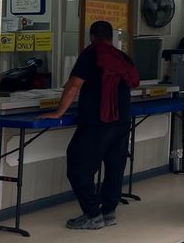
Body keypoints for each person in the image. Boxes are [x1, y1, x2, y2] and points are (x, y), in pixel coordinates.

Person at [40, 21, 140, 228]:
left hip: (98, 120)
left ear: (92, 36)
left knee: (78, 165)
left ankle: (93, 214)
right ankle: (109, 212)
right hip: (122, 121)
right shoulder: (121, 56)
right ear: (111, 38)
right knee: (114, 167)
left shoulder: (92, 54)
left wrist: (59, 112)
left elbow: (74, 85)